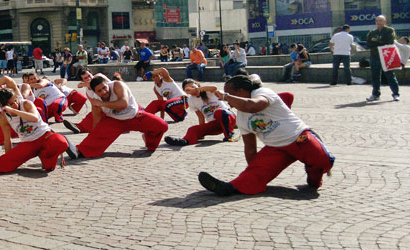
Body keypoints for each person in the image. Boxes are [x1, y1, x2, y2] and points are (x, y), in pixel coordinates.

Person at [197, 75, 334, 196]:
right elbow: (250, 148)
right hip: (275, 148)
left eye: (229, 94)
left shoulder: (262, 92)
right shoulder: (241, 117)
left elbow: (253, 106)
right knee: (252, 176)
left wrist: (226, 96)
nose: (228, 101)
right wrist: (255, 169)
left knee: (323, 162)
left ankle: (313, 176)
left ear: (241, 92)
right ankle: (228, 188)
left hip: (298, 137)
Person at [0, 87, 72, 177]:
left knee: (59, 146)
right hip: (28, 144)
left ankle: (45, 156)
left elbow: (34, 118)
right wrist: (8, 157)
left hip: (45, 137)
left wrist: (13, 109)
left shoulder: (26, 104)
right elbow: (7, 140)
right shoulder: (4, 117)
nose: (14, 105)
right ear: (2, 106)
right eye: (10, 104)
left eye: (15, 102)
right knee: (6, 161)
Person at [64, 74, 168, 159]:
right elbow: (96, 121)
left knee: (162, 126)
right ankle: (78, 151)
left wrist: (101, 104)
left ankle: (149, 141)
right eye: (99, 91)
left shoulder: (118, 85)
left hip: (135, 116)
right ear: (95, 92)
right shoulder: (95, 101)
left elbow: (123, 104)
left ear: (107, 84)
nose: (104, 92)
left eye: (104, 87)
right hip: (115, 121)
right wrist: (93, 136)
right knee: (95, 135)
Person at [164, 79, 237, 146]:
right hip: (215, 124)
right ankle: (185, 141)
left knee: (219, 112)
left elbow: (214, 87)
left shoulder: (208, 91)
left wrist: (197, 89)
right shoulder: (192, 101)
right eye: (188, 89)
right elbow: (201, 117)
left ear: (197, 85)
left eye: (193, 86)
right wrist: (201, 132)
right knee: (192, 129)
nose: (192, 90)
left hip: (228, 118)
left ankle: (229, 134)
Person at [366, 15, 401, 101]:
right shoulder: (372, 32)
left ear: (384, 21)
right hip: (374, 57)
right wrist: (379, 43)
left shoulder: (389, 30)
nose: (379, 22)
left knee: (390, 75)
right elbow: (369, 44)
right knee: (375, 76)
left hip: (386, 56)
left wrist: (376, 42)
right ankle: (375, 94)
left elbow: (389, 41)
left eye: (381, 20)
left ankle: (395, 94)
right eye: (377, 21)